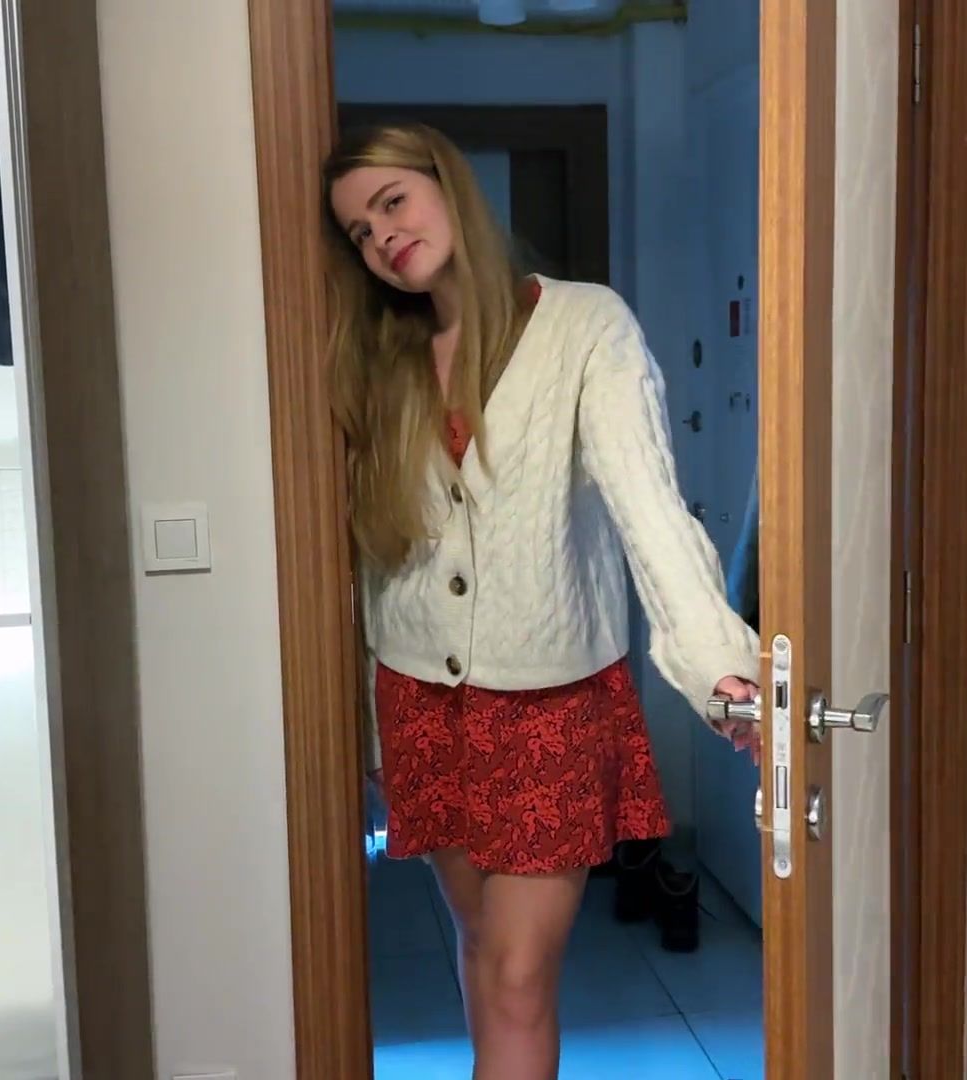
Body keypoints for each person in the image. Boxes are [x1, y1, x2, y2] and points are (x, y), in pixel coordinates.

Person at [324, 121, 760, 1080]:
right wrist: (367, 731)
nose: (383, 237)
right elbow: (369, 566)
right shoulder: (379, 357)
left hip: (551, 704)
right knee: (482, 948)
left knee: (520, 974)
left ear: (447, 185)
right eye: (360, 231)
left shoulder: (584, 324)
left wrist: (722, 667)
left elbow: (648, 504)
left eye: (393, 203)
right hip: (419, 700)